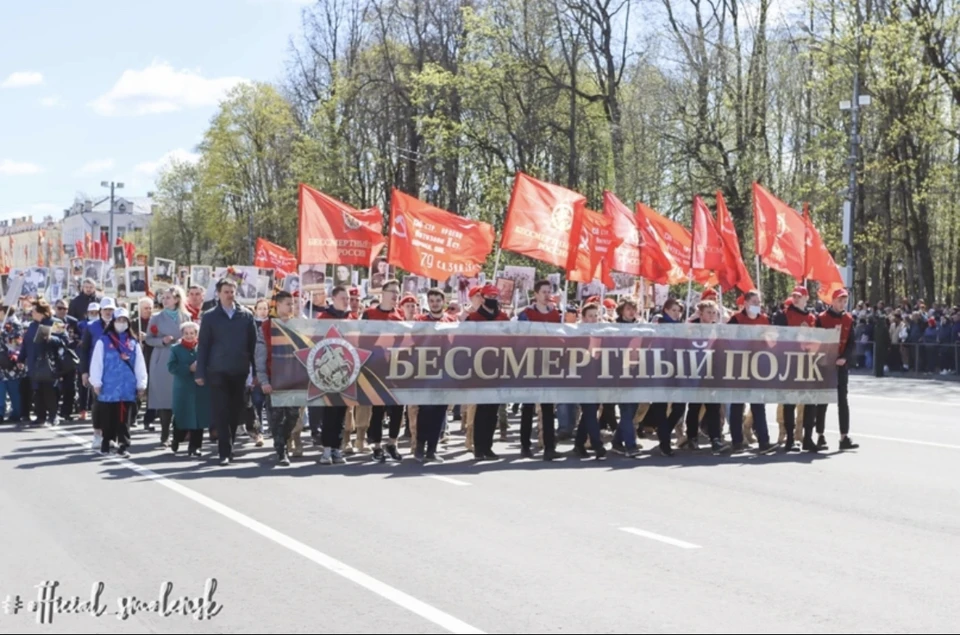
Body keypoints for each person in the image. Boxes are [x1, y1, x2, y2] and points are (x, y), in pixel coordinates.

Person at [196, 278, 258, 466]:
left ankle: (230, 444)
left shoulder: (246, 315)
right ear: (218, 293)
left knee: (235, 411)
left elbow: (253, 345)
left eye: (232, 292)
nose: (230, 295)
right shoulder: (210, 316)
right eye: (226, 292)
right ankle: (224, 450)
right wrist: (200, 371)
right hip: (218, 370)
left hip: (239, 370)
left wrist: (256, 372)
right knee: (221, 410)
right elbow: (204, 346)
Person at [89, 308, 147, 457]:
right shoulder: (103, 341)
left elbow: (139, 364)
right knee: (108, 416)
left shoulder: (133, 343)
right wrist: (96, 382)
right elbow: (96, 363)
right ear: (113, 322)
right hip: (108, 386)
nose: (121, 323)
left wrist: (141, 384)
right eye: (118, 320)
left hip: (127, 386)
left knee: (124, 417)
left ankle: (123, 444)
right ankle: (107, 442)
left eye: (124, 320)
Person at [727, 291, 778, 454]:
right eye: (754, 302)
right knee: (737, 405)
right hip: (739, 367)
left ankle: (764, 441)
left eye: (759, 302)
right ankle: (737, 441)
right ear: (746, 303)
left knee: (758, 404)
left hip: (758, 367)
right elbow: (727, 340)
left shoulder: (764, 320)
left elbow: (772, 341)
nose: (758, 305)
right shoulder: (736, 320)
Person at [516, 279, 562, 460]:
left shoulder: (555, 314)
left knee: (548, 407)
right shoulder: (526, 314)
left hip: (548, 363)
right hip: (530, 363)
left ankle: (549, 447)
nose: (546, 294)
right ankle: (525, 445)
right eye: (543, 291)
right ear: (535, 294)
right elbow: (520, 337)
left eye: (548, 291)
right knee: (528, 406)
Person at [256, 291, 301, 465]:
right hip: (274, 378)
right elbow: (260, 355)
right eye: (288, 304)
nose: (291, 307)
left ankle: (283, 439)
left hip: (293, 379)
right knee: (276, 417)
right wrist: (264, 381)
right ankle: (281, 449)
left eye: (293, 304)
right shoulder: (266, 326)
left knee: (292, 415)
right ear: (279, 305)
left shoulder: (297, 325)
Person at [361, 279, 404, 462]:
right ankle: (377, 445)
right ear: (383, 293)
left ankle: (392, 442)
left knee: (397, 408)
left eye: (397, 292)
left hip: (395, 368)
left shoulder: (400, 316)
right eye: (392, 291)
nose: (395, 295)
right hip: (375, 367)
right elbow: (361, 339)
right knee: (378, 409)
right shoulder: (369, 313)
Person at [465, 284, 509, 461]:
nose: (492, 300)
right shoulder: (473, 318)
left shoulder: (503, 318)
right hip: (478, 368)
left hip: (498, 368)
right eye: (489, 296)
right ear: (482, 298)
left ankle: (488, 446)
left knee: (493, 410)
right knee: (481, 409)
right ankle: (478, 446)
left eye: (495, 296)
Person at [773, 286, 818, 452]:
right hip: (789, 362)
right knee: (789, 402)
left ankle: (807, 438)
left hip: (808, 363)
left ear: (806, 298)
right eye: (794, 296)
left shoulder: (812, 318)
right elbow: (778, 336)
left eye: (799, 296)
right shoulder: (783, 315)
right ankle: (790, 439)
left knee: (809, 401)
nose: (796, 299)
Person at [814, 288, 860, 451]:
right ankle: (820, 435)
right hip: (825, 365)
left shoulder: (848, 319)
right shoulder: (821, 319)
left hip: (841, 365)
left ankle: (844, 436)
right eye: (840, 300)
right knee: (823, 400)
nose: (842, 304)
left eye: (845, 301)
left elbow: (851, 343)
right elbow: (816, 341)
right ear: (832, 301)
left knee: (843, 401)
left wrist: (844, 358)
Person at [145, 287, 190, 447]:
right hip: (162, 359)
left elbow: (192, 338)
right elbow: (148, 339)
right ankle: (165, 434)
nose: (164, 300)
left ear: (177, 299)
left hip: (181, 359)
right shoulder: (156, 318)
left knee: (179, 398)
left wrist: (183, 342)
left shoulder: (186, 316)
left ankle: (179, 432)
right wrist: (161, 341)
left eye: (168, 297)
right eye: (163, 297)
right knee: (164, 399)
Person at [312, 286, 351, 464]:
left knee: (342, 412)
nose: (346, 301)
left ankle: (337, 448)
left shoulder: (352, 319)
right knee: (329, 411)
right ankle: (326, 449)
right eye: (343, 298)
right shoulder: (323, 318)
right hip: (328, 371)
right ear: (333, 299)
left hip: (347, 374)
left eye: (348, 298)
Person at [167, 322, 208, 457]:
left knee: (199, 418)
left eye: (192, 333)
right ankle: (177, 438)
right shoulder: (176, 349)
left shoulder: (202, 348)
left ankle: (195, 446)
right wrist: (188, 368)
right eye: (186, 333)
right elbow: (171, 367)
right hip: (183, 387)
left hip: (200, 387)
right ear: (182, 335)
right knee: (182, 415)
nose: (189, 336)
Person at [572, 303, 606, 459]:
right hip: (582, 377)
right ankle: (597, 444)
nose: (593, 319)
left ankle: (579, 444)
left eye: (596, 315)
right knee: (590, 410)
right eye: (590, 316)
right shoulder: (578, 334)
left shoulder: (602, 333)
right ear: (584, 318)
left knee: (589, 412)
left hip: (598, 376)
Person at [25, 299, 67, 426]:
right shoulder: (32, 326)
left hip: (50, 363)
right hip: (34, 363)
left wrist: (51, 338)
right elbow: (25, 345)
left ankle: (53, 416)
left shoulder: (55, 323)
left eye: (33, 311)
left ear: (41, 313)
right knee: (37, 391)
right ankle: (40, 416)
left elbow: (65, 341)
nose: (31, 314)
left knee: (49, 390)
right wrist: (21, 358)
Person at [54, 300, 80, 422]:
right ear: (55, 308)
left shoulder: (73, 321)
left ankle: (67, 412)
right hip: (55, 359)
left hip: (69, 358)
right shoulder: (50, 321)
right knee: (55, 388)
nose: (62, 311)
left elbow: (79, 337)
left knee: (70, 387)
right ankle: (54, 412)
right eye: (60, 308)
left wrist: (74, 343)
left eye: (65, 308)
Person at [0, 316, 26, 424]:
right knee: (1, 390)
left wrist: (3, 334)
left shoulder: (15, 323)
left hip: (10, 362)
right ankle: (1, 413)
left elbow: (17, 342)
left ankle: (16, 413)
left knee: (14, 390)